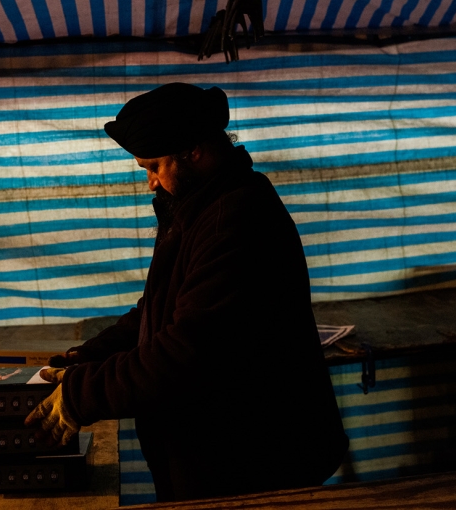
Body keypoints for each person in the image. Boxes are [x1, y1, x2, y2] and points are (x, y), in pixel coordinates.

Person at [25, 83, 348, 502]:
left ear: (194, 150)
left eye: (154, 166)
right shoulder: (200, 205)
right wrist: (88, 356)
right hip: (213, 452)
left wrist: (82, 394)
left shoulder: (237, 218)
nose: (150, 183)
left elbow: (188, 351)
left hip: (253, 459)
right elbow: (158, 307)